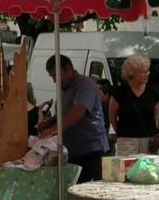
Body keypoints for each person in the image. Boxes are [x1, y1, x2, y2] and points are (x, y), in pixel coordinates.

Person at [39, 55, 109, 183]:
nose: (55, 81)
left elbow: (79, 110)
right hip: (73, 151)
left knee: (86, 191)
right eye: (52, 77)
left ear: (69, 69)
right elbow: (64, 113)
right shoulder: (63, 88)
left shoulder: (85, 84)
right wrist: (51, 121)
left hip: (90, 150)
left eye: (56, 76)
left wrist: (55, 129)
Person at [109, 55, 159, 155]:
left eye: (147, 71)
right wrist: (121, 133)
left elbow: (155, 116)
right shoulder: (119, 93)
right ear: (131, 74)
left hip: (148, 140)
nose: (147, 74)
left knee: (147, 170)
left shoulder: (153, 92)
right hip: (126, 140)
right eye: (142, 72)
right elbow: (112, 117)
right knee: (128, 169)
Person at [96, 79, 115, 156]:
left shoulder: (112, 103)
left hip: (108, 133)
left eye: (99, 90)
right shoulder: (101, 104)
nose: (97, 92)